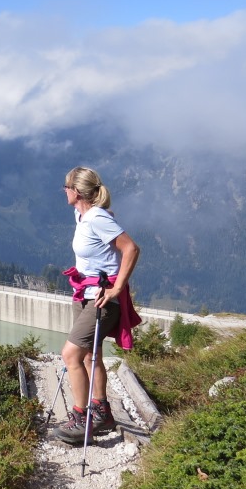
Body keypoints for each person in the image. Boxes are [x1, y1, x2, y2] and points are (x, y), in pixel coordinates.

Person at [53, 166, 141, 445]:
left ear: (76, 191)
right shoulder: (80, 214)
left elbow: (131, 248)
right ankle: (101, 411)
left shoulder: (97, 219)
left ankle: (82, 417)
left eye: (66, 187)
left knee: (70, 355)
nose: (63, 192)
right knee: (91, 356)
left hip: (102, 300)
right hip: (85, 294)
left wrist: (116, 289)